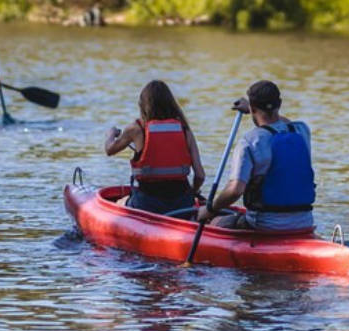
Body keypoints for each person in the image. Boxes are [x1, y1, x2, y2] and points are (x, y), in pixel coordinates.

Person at [196, 80, 315, 231]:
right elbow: (282, 124)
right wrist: (257, 109)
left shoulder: (249, 141)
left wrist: (209, 210)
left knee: (215, 222)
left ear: (252, 108)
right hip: (304, 222)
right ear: (280, 104)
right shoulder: (302, 130)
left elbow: (235, 190)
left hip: (264, 224)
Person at [104, 79, 205, 216]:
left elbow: (109, 150)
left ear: (143, 105)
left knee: (120, 202)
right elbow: (199, 175)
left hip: (147, 203)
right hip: (182, 203)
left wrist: (110, 134)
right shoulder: (184, 130)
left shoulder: (137, 129)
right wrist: (192, 192)